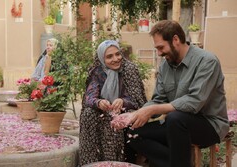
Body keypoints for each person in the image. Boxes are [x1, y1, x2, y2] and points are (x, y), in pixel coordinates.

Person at [112, 20, 229, 167]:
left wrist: (152, 110)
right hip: (176, 125)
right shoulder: (165, 66)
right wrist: (136, 114)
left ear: (175, 39)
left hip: (210, 125)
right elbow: (158, 99)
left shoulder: (207, 61)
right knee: (132, 132)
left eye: (161, 47)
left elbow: (194, 102)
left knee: (175, 118)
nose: (159, 53)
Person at [79, 40, 147, 166]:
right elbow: (89, 97)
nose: (116, 59)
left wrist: (123, 101)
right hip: (104, 110)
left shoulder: (129, 70)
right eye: (109, 56)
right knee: (88, 113)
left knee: (114, 119)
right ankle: (90, 162)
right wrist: (99, 102)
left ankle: (115, 162)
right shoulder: (98, 71)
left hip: (126, 111)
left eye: (118, 54)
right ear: (101, 58)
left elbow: (139, 101)